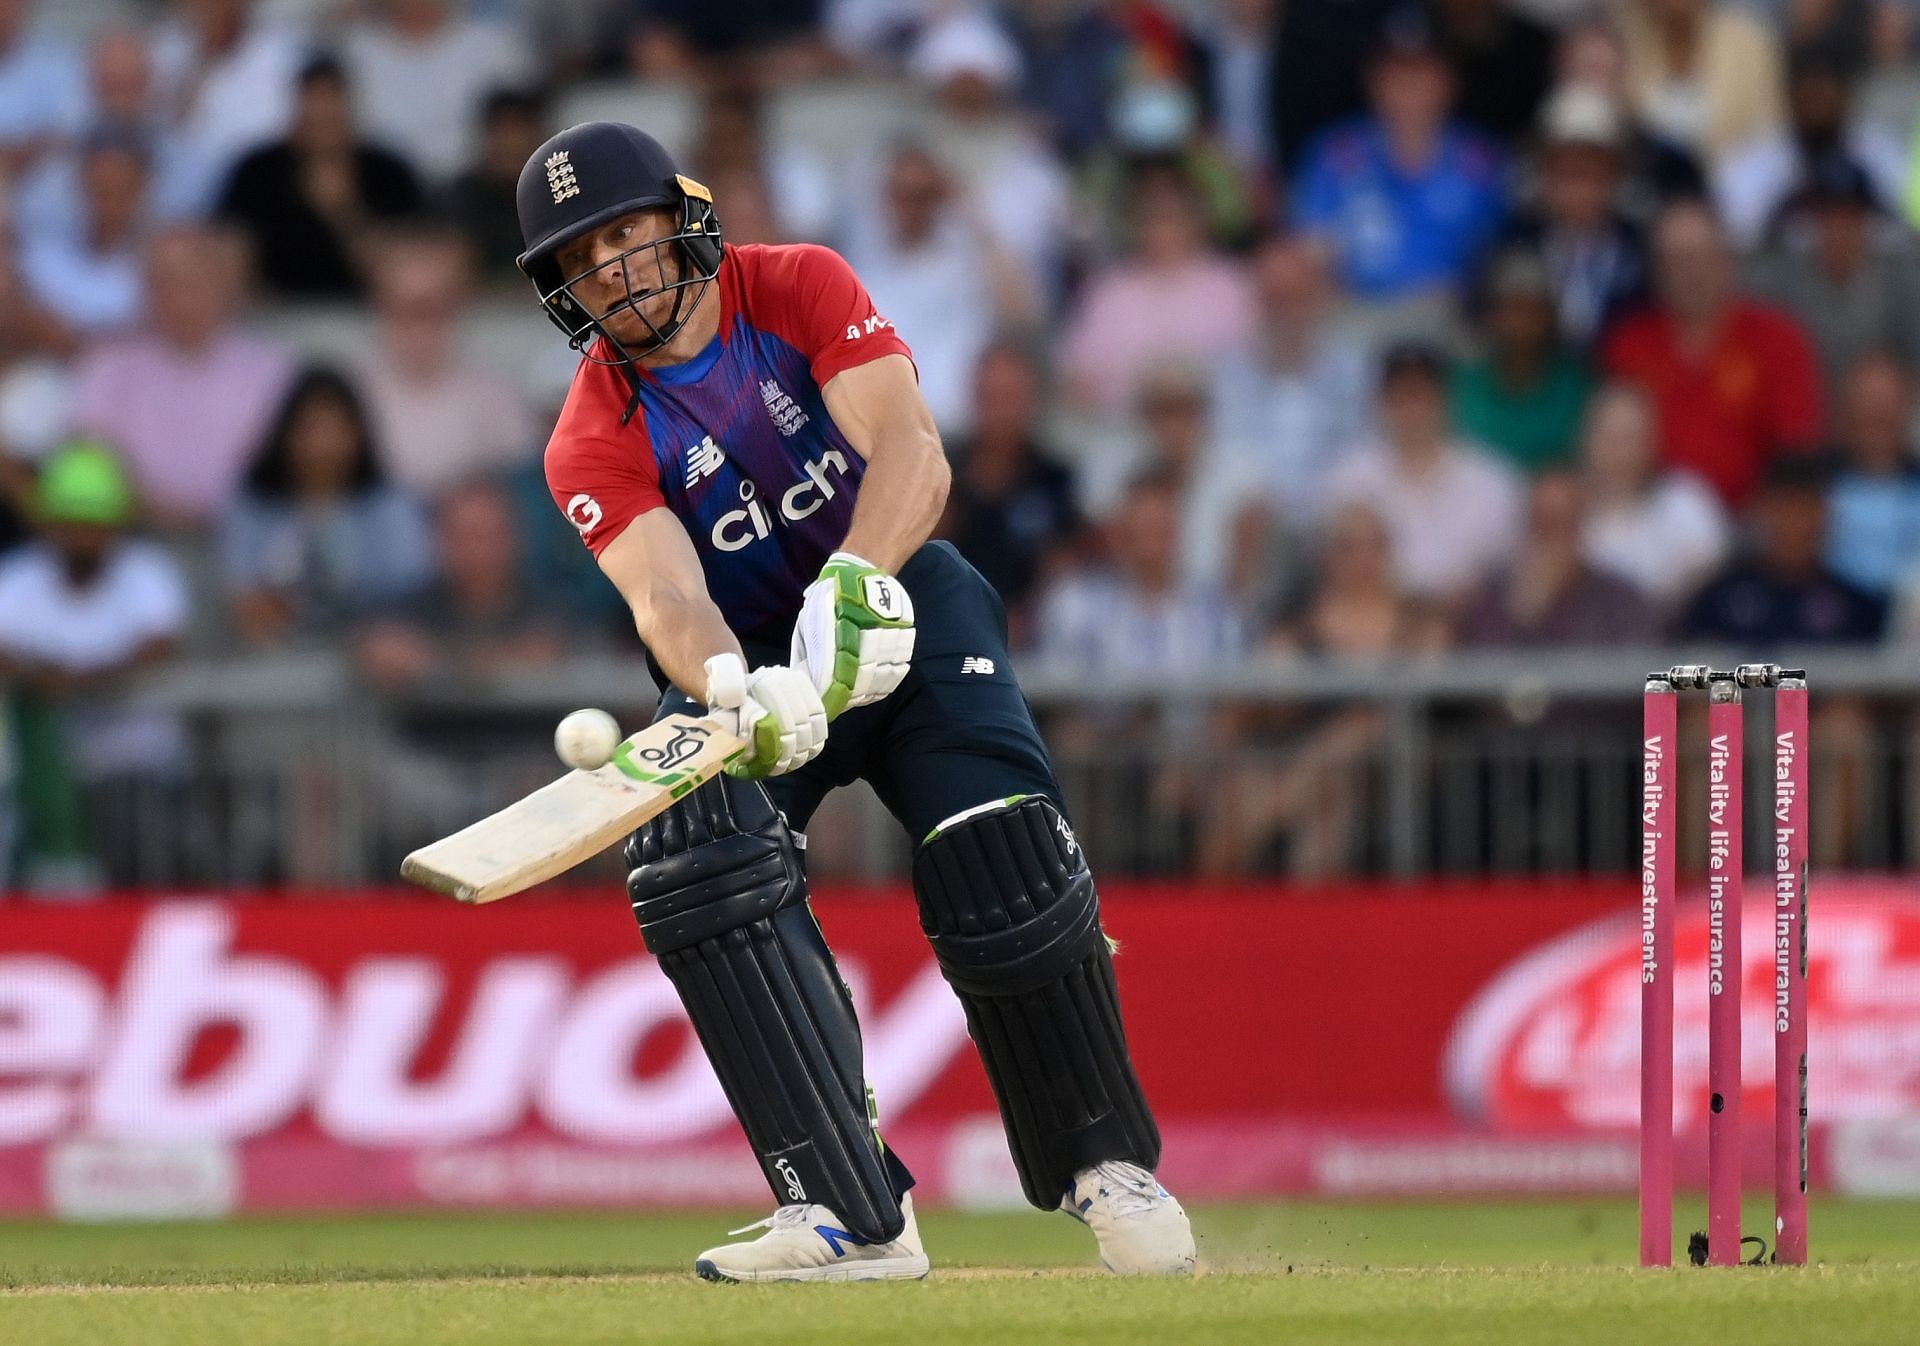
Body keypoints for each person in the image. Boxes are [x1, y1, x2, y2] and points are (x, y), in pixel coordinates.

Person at [521, 122, 1193, 1281]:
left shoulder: (796, 284)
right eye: (586, 258)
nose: (617, 272)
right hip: (754, 661)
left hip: (902, 598)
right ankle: (846, 1212)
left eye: (628, 234)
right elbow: (667, 598)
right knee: (697, 867)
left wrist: (853, 585)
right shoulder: (589, 434)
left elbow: (914, 457)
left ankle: (1106, 1165)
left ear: (682, 217)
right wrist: (736, 683)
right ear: (562, 288)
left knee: (999, 851)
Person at [70, 225, 294, 529]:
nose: (176, 294)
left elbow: (282, 473)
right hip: (135, 534)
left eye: (191, 279)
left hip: (245, 536)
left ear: (223, 283)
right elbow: (91, 460)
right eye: (162, 280)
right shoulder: (108, 366)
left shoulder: (272, 371)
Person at [1602, 199, 1823, 505]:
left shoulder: (1778, 340)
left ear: (1726, 259)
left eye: (1697, 257)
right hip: (1649, 519)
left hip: (1751, 523)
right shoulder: (1630, 344)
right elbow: (1607, 449)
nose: (1688, 273)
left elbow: (1796, 452)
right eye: (1674, 260)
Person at [1289, 7, 1506, 307]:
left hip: (1448, 319)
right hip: (1351, 314)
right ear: (1372, 80)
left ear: (1449, 80)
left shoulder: (1481, 161)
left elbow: (1496, 259)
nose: (1409, 87)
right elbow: (1310, 250)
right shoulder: (1335, 153)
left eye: (1422, 72)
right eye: (1395, 74)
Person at [220, 367, 432, 646]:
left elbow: (410, 597)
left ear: (359, 434)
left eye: (336, 430)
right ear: (285, 434)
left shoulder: (391, 506)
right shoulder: (253, 504)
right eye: (311, 429)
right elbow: (241, 593)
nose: (323, 446)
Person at [1324, 341, 1525, 612]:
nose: (1411, 409)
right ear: (1380, 402)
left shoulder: (1492, 481)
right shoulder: (1347, 480)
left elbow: (1507, 577)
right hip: (1376, 630)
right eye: (1400, 396)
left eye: (1421, 395)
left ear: (1446, 399)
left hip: (1469, 631)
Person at [216, 54, 425, 300]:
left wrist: (343, 212)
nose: (321, 119)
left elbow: (408, 273)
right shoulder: (256, 170)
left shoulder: (389, 172)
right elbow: (227, 252)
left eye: (331, 111)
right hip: (274, 314)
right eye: (312, 109)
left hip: (369, 316)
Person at [1577, 382, 1731, 613]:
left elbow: (1707, 593)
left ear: (1652, 441)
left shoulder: (1688, 505)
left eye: (1629, 437)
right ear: (1586, 440)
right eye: (1609, 437)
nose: (1618, 452)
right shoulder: (1563, 515)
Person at [1453, 248, 1595, 473]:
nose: (1519, 323)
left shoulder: (1577, 388)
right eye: (1509, 308)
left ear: (1550, 316)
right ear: (1492, 315)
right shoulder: (1463, 386)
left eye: (1530, 309)